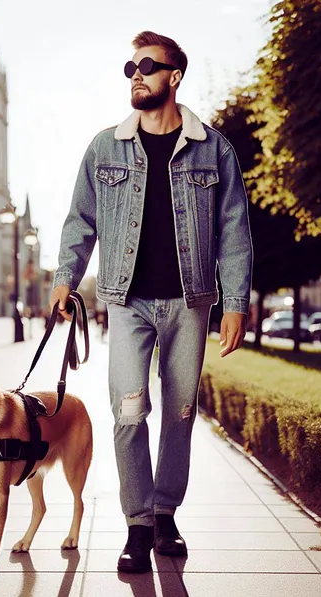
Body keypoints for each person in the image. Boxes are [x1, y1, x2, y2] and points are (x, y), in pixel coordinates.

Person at [49, 31, 253, 573]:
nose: (135, 75)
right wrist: (64, 279)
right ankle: (138, 524)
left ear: (174, 76)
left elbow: (234, 230)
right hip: (126, 300)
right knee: (128, 412)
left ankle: (166, 512)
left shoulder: (214, 147)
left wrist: (236, 302)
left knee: (180, 414)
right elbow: (80, 221)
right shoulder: (104, 147)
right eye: (129, 67)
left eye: (147, 65)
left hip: (191, 302)